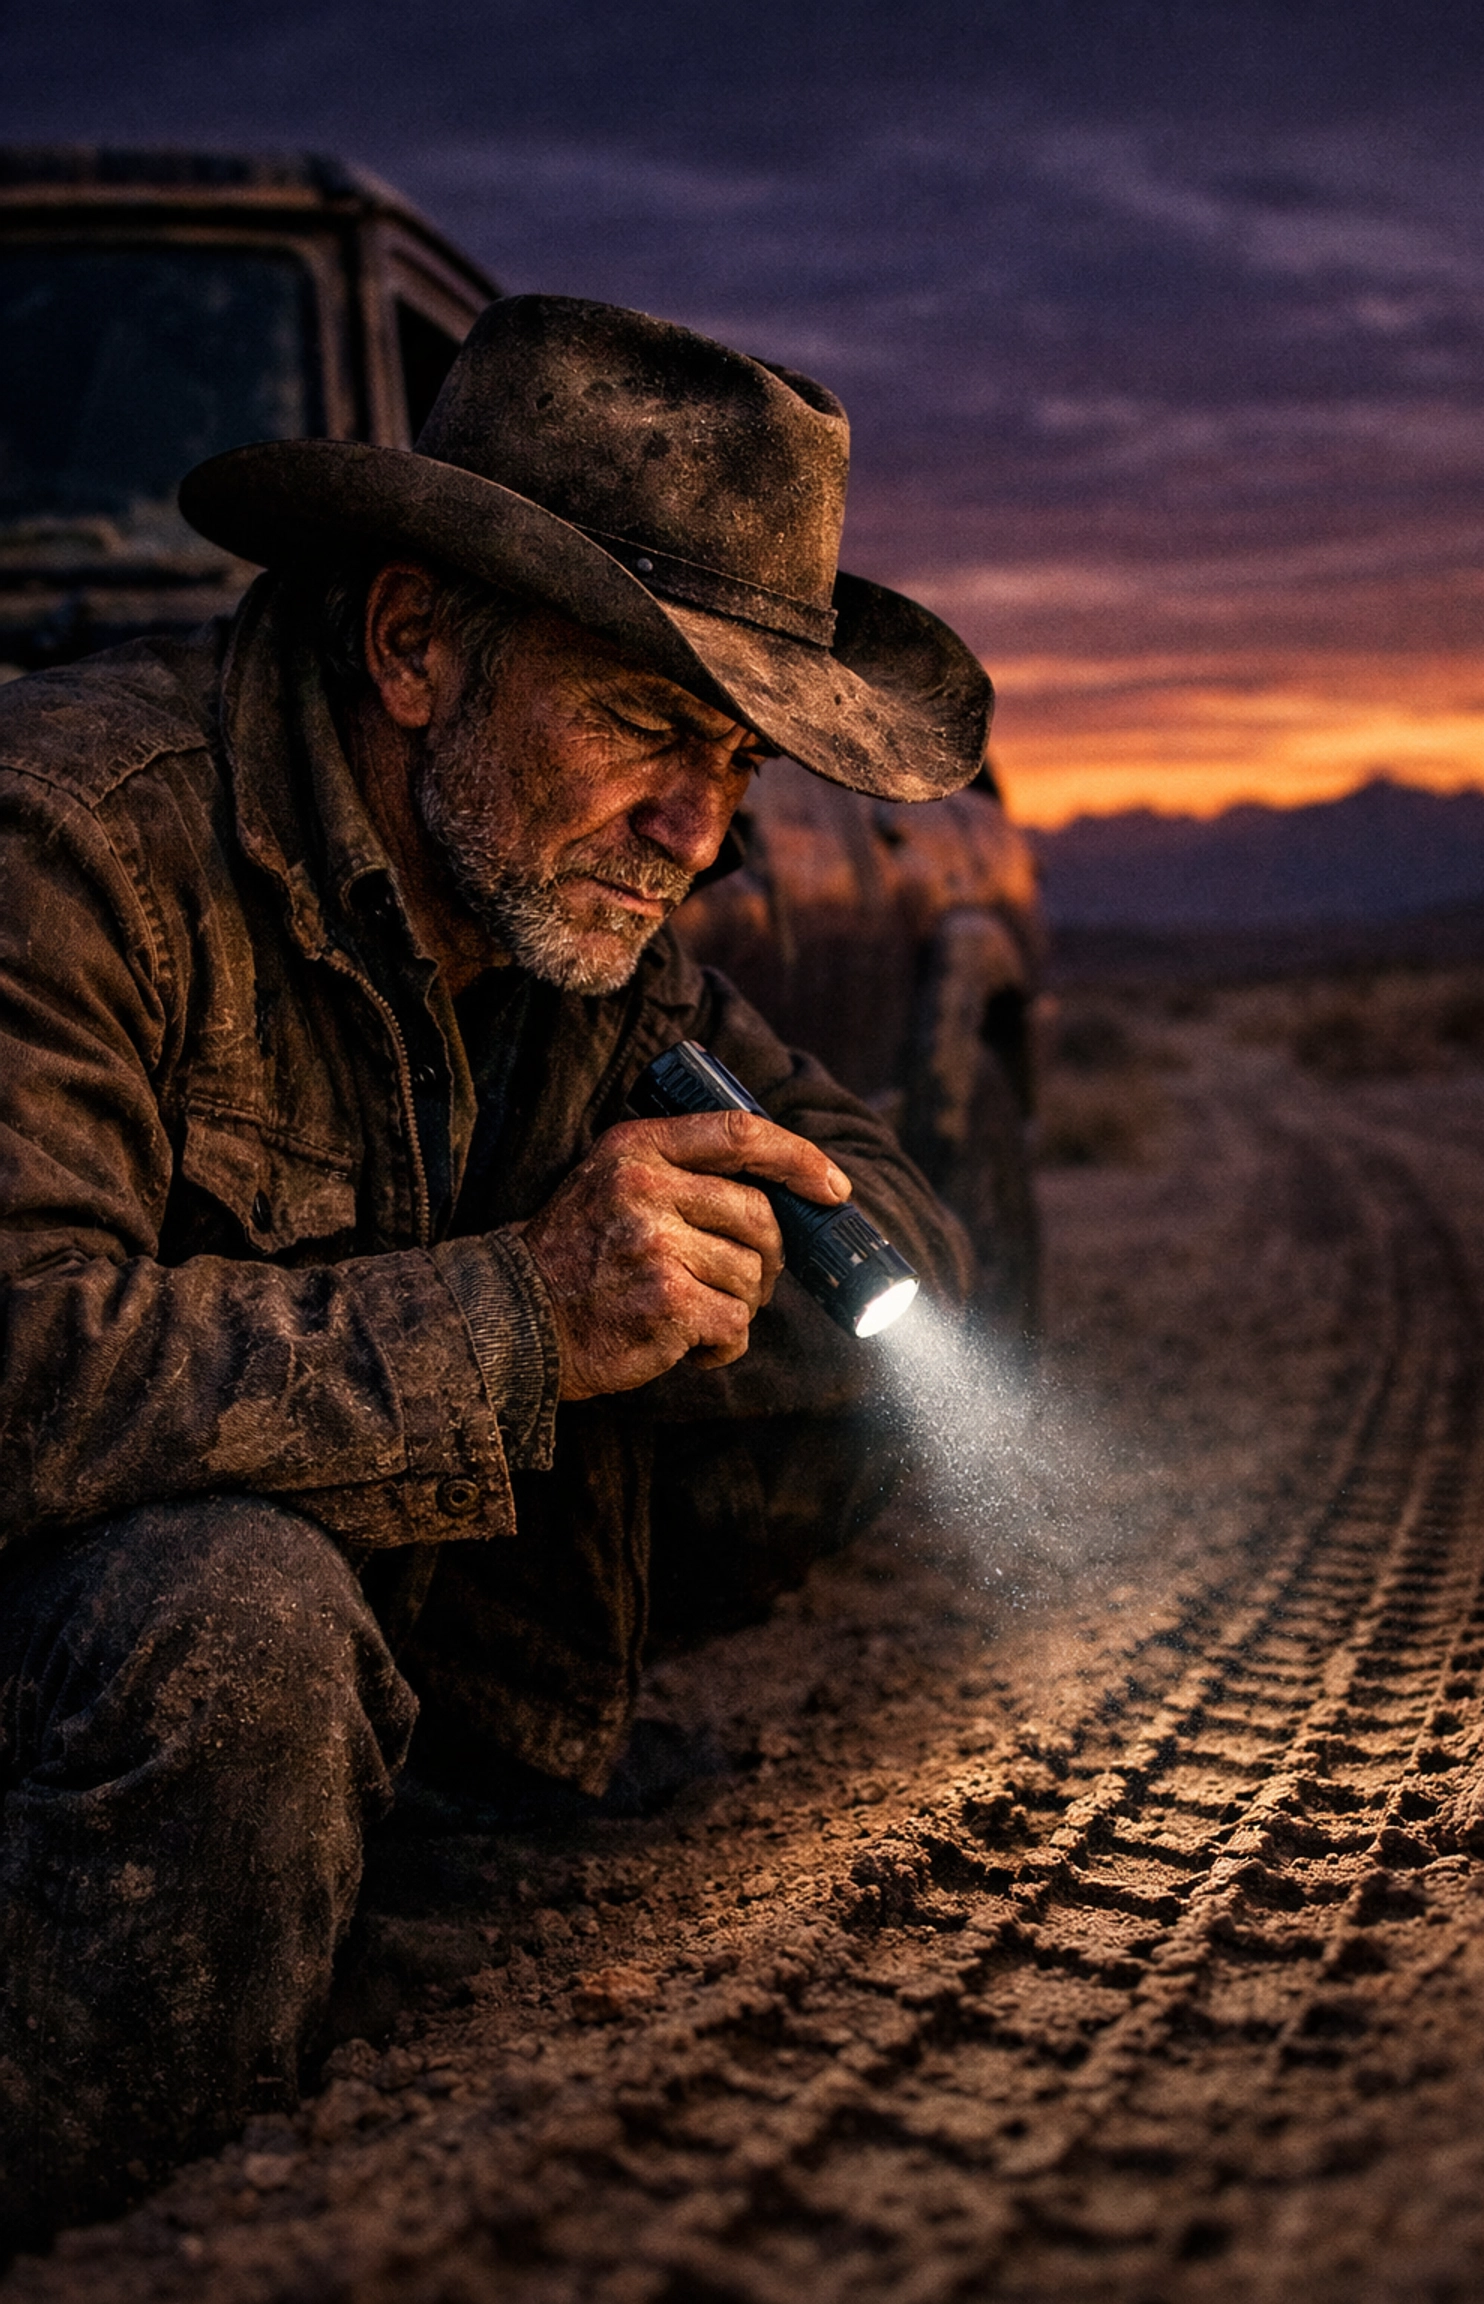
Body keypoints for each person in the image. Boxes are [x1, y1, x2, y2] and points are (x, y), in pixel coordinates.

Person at [0, 295, 990, 2240]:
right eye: (640, 724)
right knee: (241, 1622)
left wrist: (752, 1262)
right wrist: (525, 1315)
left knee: (829, 1414)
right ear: (414, 645)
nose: (696, 832)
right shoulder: (73, 848)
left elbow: (904, 1235)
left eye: (731, 764)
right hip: (69, 1642)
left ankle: (422, 1834)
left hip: (381, 1688)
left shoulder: (575, 927)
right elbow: (22, 1361)